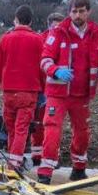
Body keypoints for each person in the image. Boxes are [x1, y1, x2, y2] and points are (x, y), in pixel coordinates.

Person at [38, 0, 98, 183]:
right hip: (58, 93)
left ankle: (79, 167)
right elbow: (45, 60)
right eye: (74, 11)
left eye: (81, 11)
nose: (77, 15)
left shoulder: (97, 33)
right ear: (69, 12)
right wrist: (56, 72)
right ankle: (45, 171)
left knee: (82, 132)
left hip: (82, 94)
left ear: (88, 12)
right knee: (52, 128)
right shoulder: (58, 32)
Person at [0, 6, 44, 171]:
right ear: (30, 21)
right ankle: (15, 164)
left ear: (15, 19)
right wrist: (41, 88)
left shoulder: (5, 38)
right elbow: (42, 67)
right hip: (29, 91)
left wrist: (5, 84)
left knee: (11, 128)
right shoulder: (38, 40)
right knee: (21, 128)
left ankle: (13, 158)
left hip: (9, 90)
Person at [30, 12, 66, 166]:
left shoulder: (63, 39)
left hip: (54, 89)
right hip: (42, 87)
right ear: (49, 24)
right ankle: (38, 155)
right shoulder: (41, 40)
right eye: (55, 24)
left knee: (50, 124)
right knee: (40, 123)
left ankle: (46, 155)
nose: (58, 28)